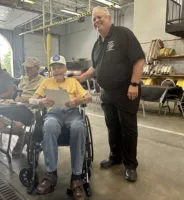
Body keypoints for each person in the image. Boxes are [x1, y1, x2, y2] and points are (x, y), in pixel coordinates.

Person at [76, 6, 145, 182]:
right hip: (107, 93)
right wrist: (81, 77)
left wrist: (134, 83)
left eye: (99, 17)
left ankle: (130, 165)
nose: (96, 21)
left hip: (126, 91)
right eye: (93, 19)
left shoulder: (123, 34)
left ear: (109, 17)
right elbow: (95, 67)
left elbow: (138, 59)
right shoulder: (98, 44)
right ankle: (116, 157)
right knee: (112, 127)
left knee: (128, 129)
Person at [30, 55, 92, 200]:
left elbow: (89, 98)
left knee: (78, 128)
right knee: (49, 126)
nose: (57, 70)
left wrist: (79, 100)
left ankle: (76, 177)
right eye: (54, 67)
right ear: (51, 70)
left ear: (65, 68)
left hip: (72, 112)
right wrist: (41, 101)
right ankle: (50, 174)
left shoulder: (73, 82)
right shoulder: (46, 82)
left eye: (59, 67)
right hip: (54, 113)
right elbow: (31, 99)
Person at [0, 57, 44, 157]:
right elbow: (18, 94)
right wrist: (14, 100)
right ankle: (23, 135)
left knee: (17, 125)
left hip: (31, 109)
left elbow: (42, 100)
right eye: (26, 67)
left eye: (29, 68)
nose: (26, 70)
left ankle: (22, 137)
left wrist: (24, 100)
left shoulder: (43, 81)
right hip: (17, 107)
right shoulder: (24, 79)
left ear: (37, 68)